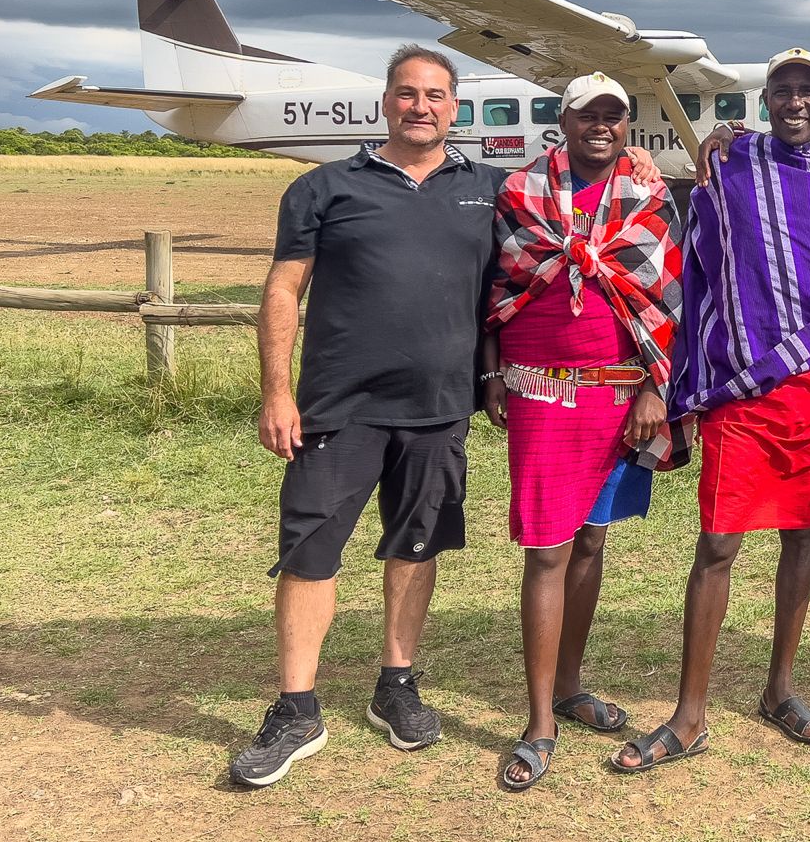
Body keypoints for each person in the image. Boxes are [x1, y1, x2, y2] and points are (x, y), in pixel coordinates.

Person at [230, 45, 508, 788]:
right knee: (310, 551)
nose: (422, 106)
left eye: (437, 95)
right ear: (385, 101)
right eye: (408, 93)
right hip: (337, 407)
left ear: (456, 108)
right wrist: (277, 392)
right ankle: (295, 708)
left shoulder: (492, 190)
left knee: (415, 549)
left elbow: (573, 211)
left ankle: (397, 683)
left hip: (439, 408)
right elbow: (284, 289)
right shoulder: (323, 188)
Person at [610, 48, 810, 772]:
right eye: (783, 91)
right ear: (765, 101)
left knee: (801, 534)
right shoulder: (728, 169)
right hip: (744, 388)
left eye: (808, 90)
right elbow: (696, 270)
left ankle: (779, 689)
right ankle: (690, 714)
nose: (797, 101)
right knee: (719, 545)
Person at [482, 72, 685, 790]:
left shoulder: (650, 197)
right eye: (587, 114)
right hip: (542, 390)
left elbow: (665, 300)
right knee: (546, 549)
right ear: (561, 120)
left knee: (593, 540)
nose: (602, 125)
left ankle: (568, 686)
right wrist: (490, 375)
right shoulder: (520, 193)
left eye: (614, 115)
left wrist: (657, 389)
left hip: (622, 395)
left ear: (627, 125)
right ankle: (539, 722)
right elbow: (497, 289)